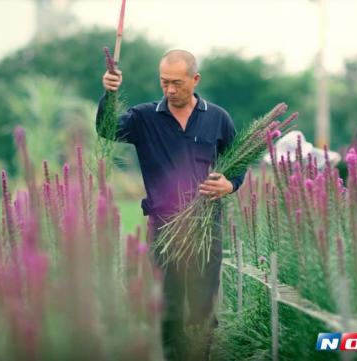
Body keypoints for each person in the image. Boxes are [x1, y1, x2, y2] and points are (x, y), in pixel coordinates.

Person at [96, 49, 245, 361]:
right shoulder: (143, 118)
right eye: (164, 83)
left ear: (195, 79)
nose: (170, 89)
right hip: (164, 228)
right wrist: (110, 94)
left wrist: (230, 184)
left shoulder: (217, 118)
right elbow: (107, 129)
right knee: (170, 307)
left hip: (206, 229)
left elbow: (238, 163)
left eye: (177, 82)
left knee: (202, 307)